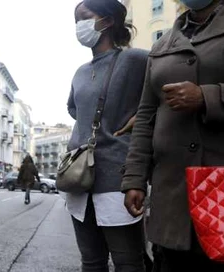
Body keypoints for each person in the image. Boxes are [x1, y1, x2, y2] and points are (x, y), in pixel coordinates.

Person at [122, 0, 224, 271]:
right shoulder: (163, 44)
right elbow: (145, 117)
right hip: (172, 201)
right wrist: (135, 178)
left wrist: (208, 97)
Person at [66, 1, 149, 271]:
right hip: (79, 178)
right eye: (75, 19)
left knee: (128, 263)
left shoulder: (135, 59)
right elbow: (74, 110)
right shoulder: (79, 72)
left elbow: (170, 89)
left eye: (85, 17)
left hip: (118, 178)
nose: (79, 25)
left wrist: (147, 116)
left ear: (108, 21)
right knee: (91, 262)